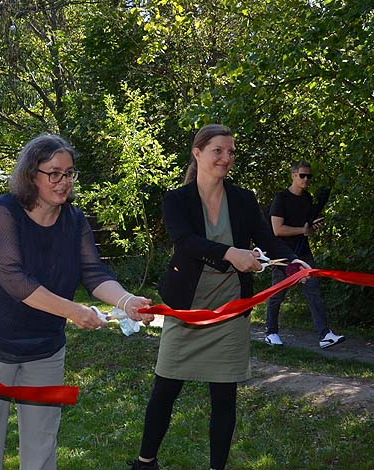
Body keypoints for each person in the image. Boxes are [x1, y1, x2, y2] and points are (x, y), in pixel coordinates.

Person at [0, 133, 154, 470]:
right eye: (54, 173)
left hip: (44, 347)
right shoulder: (3, 212)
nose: (63, 182)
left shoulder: (75, 221)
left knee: (42, 445)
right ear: (31, 174)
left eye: (69, 173)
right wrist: (73, 311)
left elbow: (93, 272)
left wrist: (126, 301)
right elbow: (14, 280)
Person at [130, 125, 309, 470]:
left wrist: (292, 260)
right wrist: (230, 252)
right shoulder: (176, 200)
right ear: (197, 153)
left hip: (230, 310)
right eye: (218, 151)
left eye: (230, 152)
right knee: (165, 388)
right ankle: (145, 462)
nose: (226, 159)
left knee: (224, 396)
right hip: (187, 309)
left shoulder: (243, 198)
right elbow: (186, 241)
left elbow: (266, 238)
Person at [264, 161, 345, 349]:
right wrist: (304, 229)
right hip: (282, 253)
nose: (306, 179)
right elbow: (277, 229)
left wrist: (312, 227)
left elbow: (307, 228)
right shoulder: (281, 199)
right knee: (278, 292)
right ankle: (271, 332)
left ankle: (325, 335)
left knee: (313, 290)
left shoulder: (307, 198)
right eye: (302, 175)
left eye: (309, 176)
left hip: (303, 251)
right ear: (293, 175)